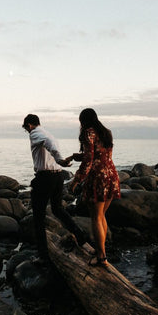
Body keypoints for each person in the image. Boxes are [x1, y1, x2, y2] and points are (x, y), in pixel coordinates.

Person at [22, 113, 88, 264]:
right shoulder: (46, 132)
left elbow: (48, 143)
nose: (27, 132)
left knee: (38, 217)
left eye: (26, 129)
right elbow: (50, 143)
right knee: (58, 209)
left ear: (30, 125)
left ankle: (43, 256)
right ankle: (80, 236)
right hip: (57, 176)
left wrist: (60, 160)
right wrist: (60, 161)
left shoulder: (36, 133)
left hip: (45, 178)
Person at [67, 108, 120, 268]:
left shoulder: (87, 133)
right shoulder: (106, 132)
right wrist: (75, 156)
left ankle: (101, 256)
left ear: (83, 121)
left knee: (96, 217)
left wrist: (76, 179)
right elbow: (99, 154)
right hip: (111, 175)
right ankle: (101, 251)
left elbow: (90, 159)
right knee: (101, 215)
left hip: (98, 178)